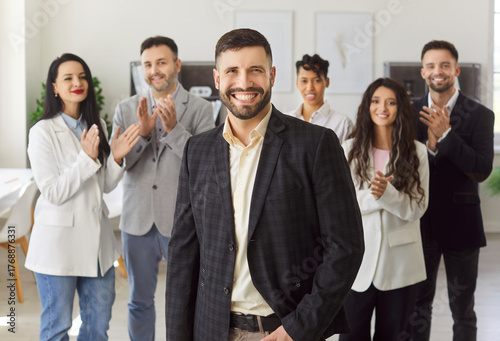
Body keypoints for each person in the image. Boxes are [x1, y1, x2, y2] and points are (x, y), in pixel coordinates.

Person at [165, 28, 364, 341]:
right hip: (212, 330)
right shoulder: (197, 151)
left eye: (255, 70)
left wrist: (297, 329)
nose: (244, 82)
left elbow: (345, 248)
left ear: (271, 76)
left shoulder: (315, 145)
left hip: (284, 331)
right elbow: (182, 254)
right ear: (217, 79)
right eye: (232, 71)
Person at [26, 53, 140, 340]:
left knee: (97, 326)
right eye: (68, 78)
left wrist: (114, 159)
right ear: (54, 86)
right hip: (58, 248)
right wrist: (86, 159)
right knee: (57, 327)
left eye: (82, 77)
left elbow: (101, 186)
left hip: (97, 246)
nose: (77, 82)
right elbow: (53, 191)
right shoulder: (42, 132)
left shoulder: (96, 125)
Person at [112, 36, 214, 340]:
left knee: (185, 301)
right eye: (147, 64)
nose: (154, 70)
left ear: (176, 65)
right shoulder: (125, 109)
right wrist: (142, 135)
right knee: (139, 301)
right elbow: (121, 165)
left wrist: (173, 131)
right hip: (137, 219)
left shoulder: (201, 109)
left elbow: (206, 166)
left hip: (182, 221)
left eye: (161, 62)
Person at [410, 40, 495, 341]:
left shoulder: (481, 115)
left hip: (463, 225)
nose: (438, 71)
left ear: (456, 70)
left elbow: (482, 169)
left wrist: (446, 135)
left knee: (463, 308)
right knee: (417, 307)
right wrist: (429, 148)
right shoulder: (409, 112)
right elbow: (404, 166)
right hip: (420, 225)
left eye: (445, 65)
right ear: (423, 72)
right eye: (431, 66)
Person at [339, 78, 429, 341]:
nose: (383, 108)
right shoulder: (350, 150)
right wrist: (375, 196)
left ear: (401, 108)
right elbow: (343, 207)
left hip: (402, 264)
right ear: (367, 106)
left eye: (391, 102)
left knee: (394, 335)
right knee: (351, 335)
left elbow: (417, 208)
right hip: (358, 263)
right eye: (376, 101)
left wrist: (388, 195)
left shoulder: (417, 152)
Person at [285, 54, 353, 143]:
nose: (310, 88)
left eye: (316, 80)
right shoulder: (285, 120)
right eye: (304, 81)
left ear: (327, 82)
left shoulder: (343, 123)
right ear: (297, 83)